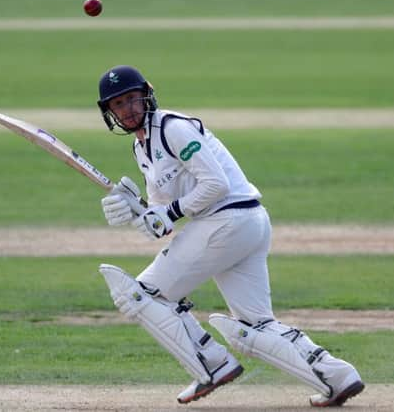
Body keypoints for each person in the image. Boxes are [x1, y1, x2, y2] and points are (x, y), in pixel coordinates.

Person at [95, 65, 365, 407]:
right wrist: (140, 210)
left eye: (132, 98)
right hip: (242, 225)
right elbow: (165, 214)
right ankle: (338, 377)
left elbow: (215, 184)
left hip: (227, 221)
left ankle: (213, 364)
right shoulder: (141, 150)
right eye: (118, 104)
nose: (128, 109)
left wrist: (169, 213)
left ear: (147, 94)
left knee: (141, 296)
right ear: (110, 113)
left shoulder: (172, 128)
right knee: (254, 326)